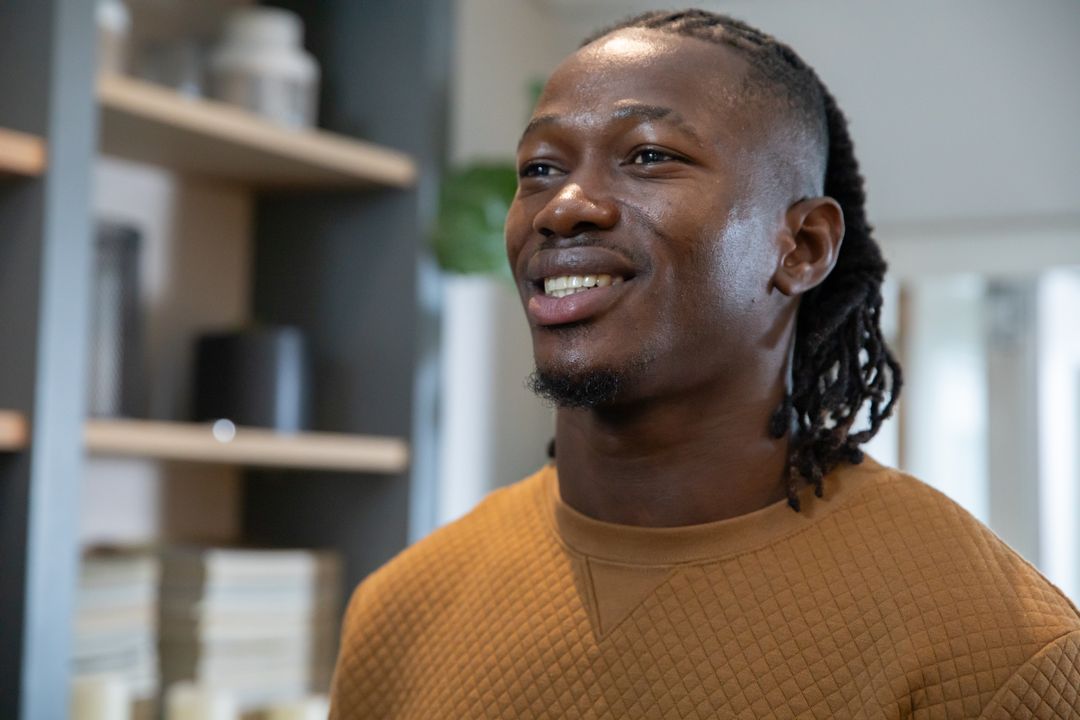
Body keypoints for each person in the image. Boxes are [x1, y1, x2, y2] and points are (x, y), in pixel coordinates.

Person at [330, 9, 1080, 718]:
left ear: (804, 247)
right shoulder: (400, 611)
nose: (563, 207)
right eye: (540, 169)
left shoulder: (997, 648)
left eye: (650, 155)